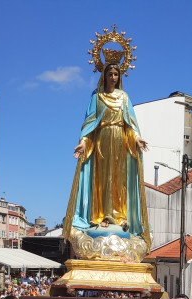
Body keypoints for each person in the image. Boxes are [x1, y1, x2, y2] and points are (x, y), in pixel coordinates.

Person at [64, 62, 150, 246]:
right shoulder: (97, 96)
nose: (113, 78)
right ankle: (100, 216)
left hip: (120, 140)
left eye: (116, 74)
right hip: (102, 140)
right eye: (110, 74)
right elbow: (90, 123)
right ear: (104, 76)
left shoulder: (124, 97)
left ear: (120, 77)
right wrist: (83, 142)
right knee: (102, 181)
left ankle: (120, 217)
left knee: (119, 181)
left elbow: (130, 124)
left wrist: (136, 139)